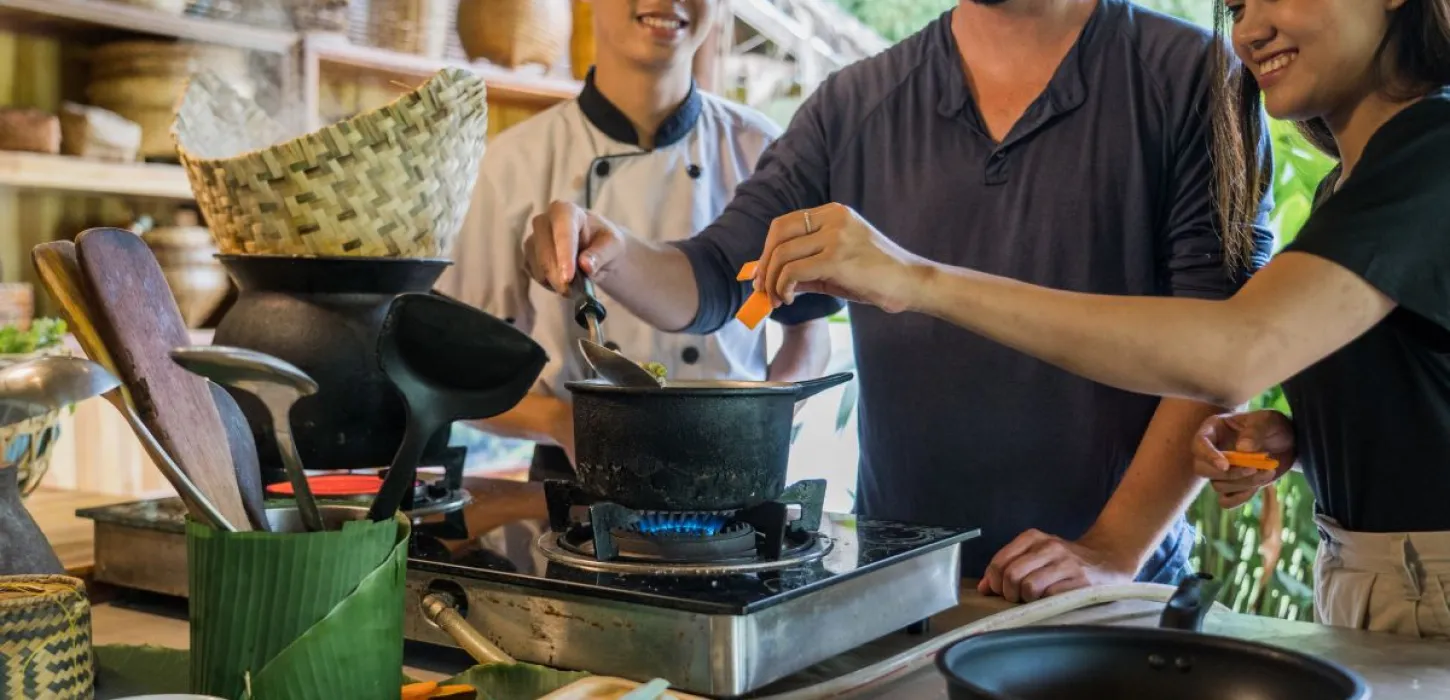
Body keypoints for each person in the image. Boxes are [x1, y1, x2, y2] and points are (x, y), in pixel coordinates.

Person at [751, 0, 1450, 638]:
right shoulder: (1355, 182)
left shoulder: (1433, 148)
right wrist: (1298, 442)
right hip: (1378, 583)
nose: (1249, 29)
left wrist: (916, 279)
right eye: (1235, 6)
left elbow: (1238, 349)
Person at [524, 0, 1276, 583]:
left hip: (1116, 593)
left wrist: (1110, 550)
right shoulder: (855, 104)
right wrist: (609, 251)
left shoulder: (1193, 79)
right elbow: (717, 277)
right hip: (908, 580)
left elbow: (1215, 348)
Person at [437, 0, 832, 481]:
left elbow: (808, 330)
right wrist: (564, 422)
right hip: (578, 481)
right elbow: (455, 375)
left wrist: (762, 420)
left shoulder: (763, 152)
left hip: (732, 473)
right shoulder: (511, 164)